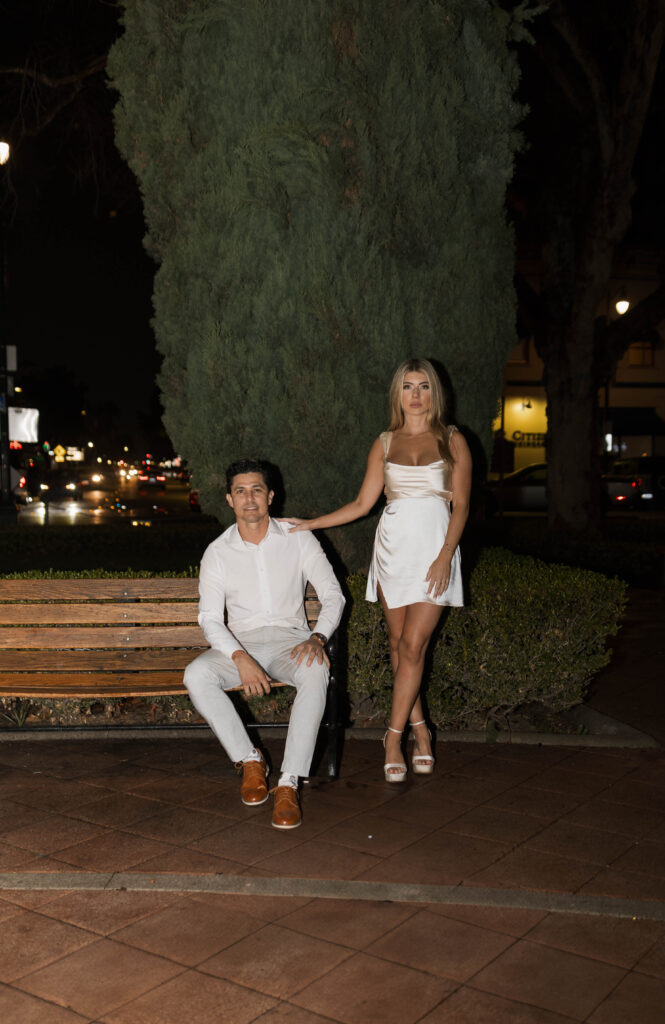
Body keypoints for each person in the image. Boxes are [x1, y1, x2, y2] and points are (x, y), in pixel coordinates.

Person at [284, 358, 471, 783]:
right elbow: (363, 505)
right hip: (392, 552)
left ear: (434, 393)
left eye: (424, 386)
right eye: (408, 387)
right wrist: (312, 523)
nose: (417, 395)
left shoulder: (453, 440)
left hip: (434, 553)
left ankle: (392, 737)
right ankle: (421, 730)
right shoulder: (384, 443)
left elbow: (461, 505)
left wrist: (445, 555)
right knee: (398, 643)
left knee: (412, 646)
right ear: (398, 394)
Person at [184, 458, 345, 829]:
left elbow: (334, 596)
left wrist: (318, 638)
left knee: (317, 668)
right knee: (197, 675)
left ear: (271, 496)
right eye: (240, 491)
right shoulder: (218, 552)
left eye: (257, 489)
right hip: (243, 643)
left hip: (293, 642)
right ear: (229, 499)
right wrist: (239, 656)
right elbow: (209, 617)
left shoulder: (299, 538)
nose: (249, 498)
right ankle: (250, 761)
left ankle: (288, 783)